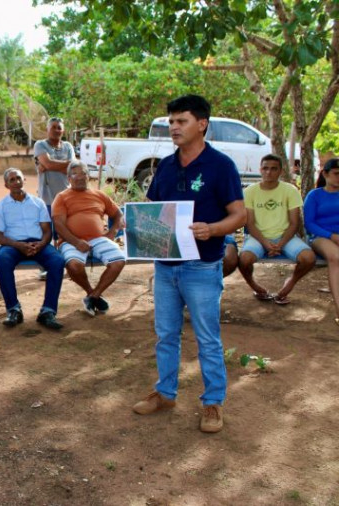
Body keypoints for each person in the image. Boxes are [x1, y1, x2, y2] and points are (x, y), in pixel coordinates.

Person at [132, 95, 246, 434]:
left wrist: (213, 229)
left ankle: (212, 403)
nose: (173, 127)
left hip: (202, 266)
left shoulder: (220, 166)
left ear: (202, 124)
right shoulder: (165, 165)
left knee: (208, 339)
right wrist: (135, 222)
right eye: (171, 122)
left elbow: (239, 215)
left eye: (181, 121)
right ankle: (165, 393)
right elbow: (152, 209)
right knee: (166, 335)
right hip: (166, 267)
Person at [0, 168, 65, 330]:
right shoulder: (1, 206)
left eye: (18, 178)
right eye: (11, 180)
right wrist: (19, 245)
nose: (16, 182)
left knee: (58, 261)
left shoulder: (38, 203)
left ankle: (48, 311)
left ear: (25, 180)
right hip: (12, 245)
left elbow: (47, 231)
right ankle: (14, 310)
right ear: (6, 185)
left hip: (39, 244)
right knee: (2, 260)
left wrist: (40, 245)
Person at [238, 155, 316, 303]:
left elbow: (294, 223)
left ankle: (290, 283)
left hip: (286, 237)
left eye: (274, 169)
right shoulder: (250, 191)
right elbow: (250, 224)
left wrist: (280, 244)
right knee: (244, 260)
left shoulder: (290, 190)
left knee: (309, 258)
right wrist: (266, 243)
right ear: (260, 170)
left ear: (280, 171)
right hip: (258, 237)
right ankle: (255, 286)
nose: (269, 172)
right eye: (265, 168)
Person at [52, 160, 125, 317]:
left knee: (119, 260)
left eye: (83, 173)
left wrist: (112, 232)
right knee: (73, 265)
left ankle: (93, 296)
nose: (80, 177)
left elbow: (118, 214)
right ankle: (91, 292)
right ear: (68, 178)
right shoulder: (62, 197)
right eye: (75, 174)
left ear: (88, 176)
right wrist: (76, 242)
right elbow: (59, 225)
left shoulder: (99, 195)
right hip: (71, 240)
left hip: (99, 239)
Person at [33, 117, 75, 279]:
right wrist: (64, 164)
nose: (57, 130)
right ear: (47, 129)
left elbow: (72, 168)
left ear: (63, 131)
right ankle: (45, 267)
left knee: (65, 234)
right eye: (54, 127)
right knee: (46, 234)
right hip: (47, 199)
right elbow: (48, 164)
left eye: (59, 128)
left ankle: (67, 264)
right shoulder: (40, 145)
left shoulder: (68, 146)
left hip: (66, 199)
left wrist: (50, 164)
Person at [304, 158, 339, 326]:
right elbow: (309, 223)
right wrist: (332, 236)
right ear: (325, 174)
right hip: (320, 237)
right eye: (336, 174)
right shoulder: (315, 195)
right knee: (335, 257)